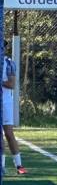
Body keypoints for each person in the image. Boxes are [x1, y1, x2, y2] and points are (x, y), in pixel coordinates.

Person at [2, 43, 24, 176]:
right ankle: (2, 166)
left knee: (9, 134)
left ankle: (19, 165)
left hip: (5, 102)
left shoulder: (9, 63)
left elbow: (11, 84)